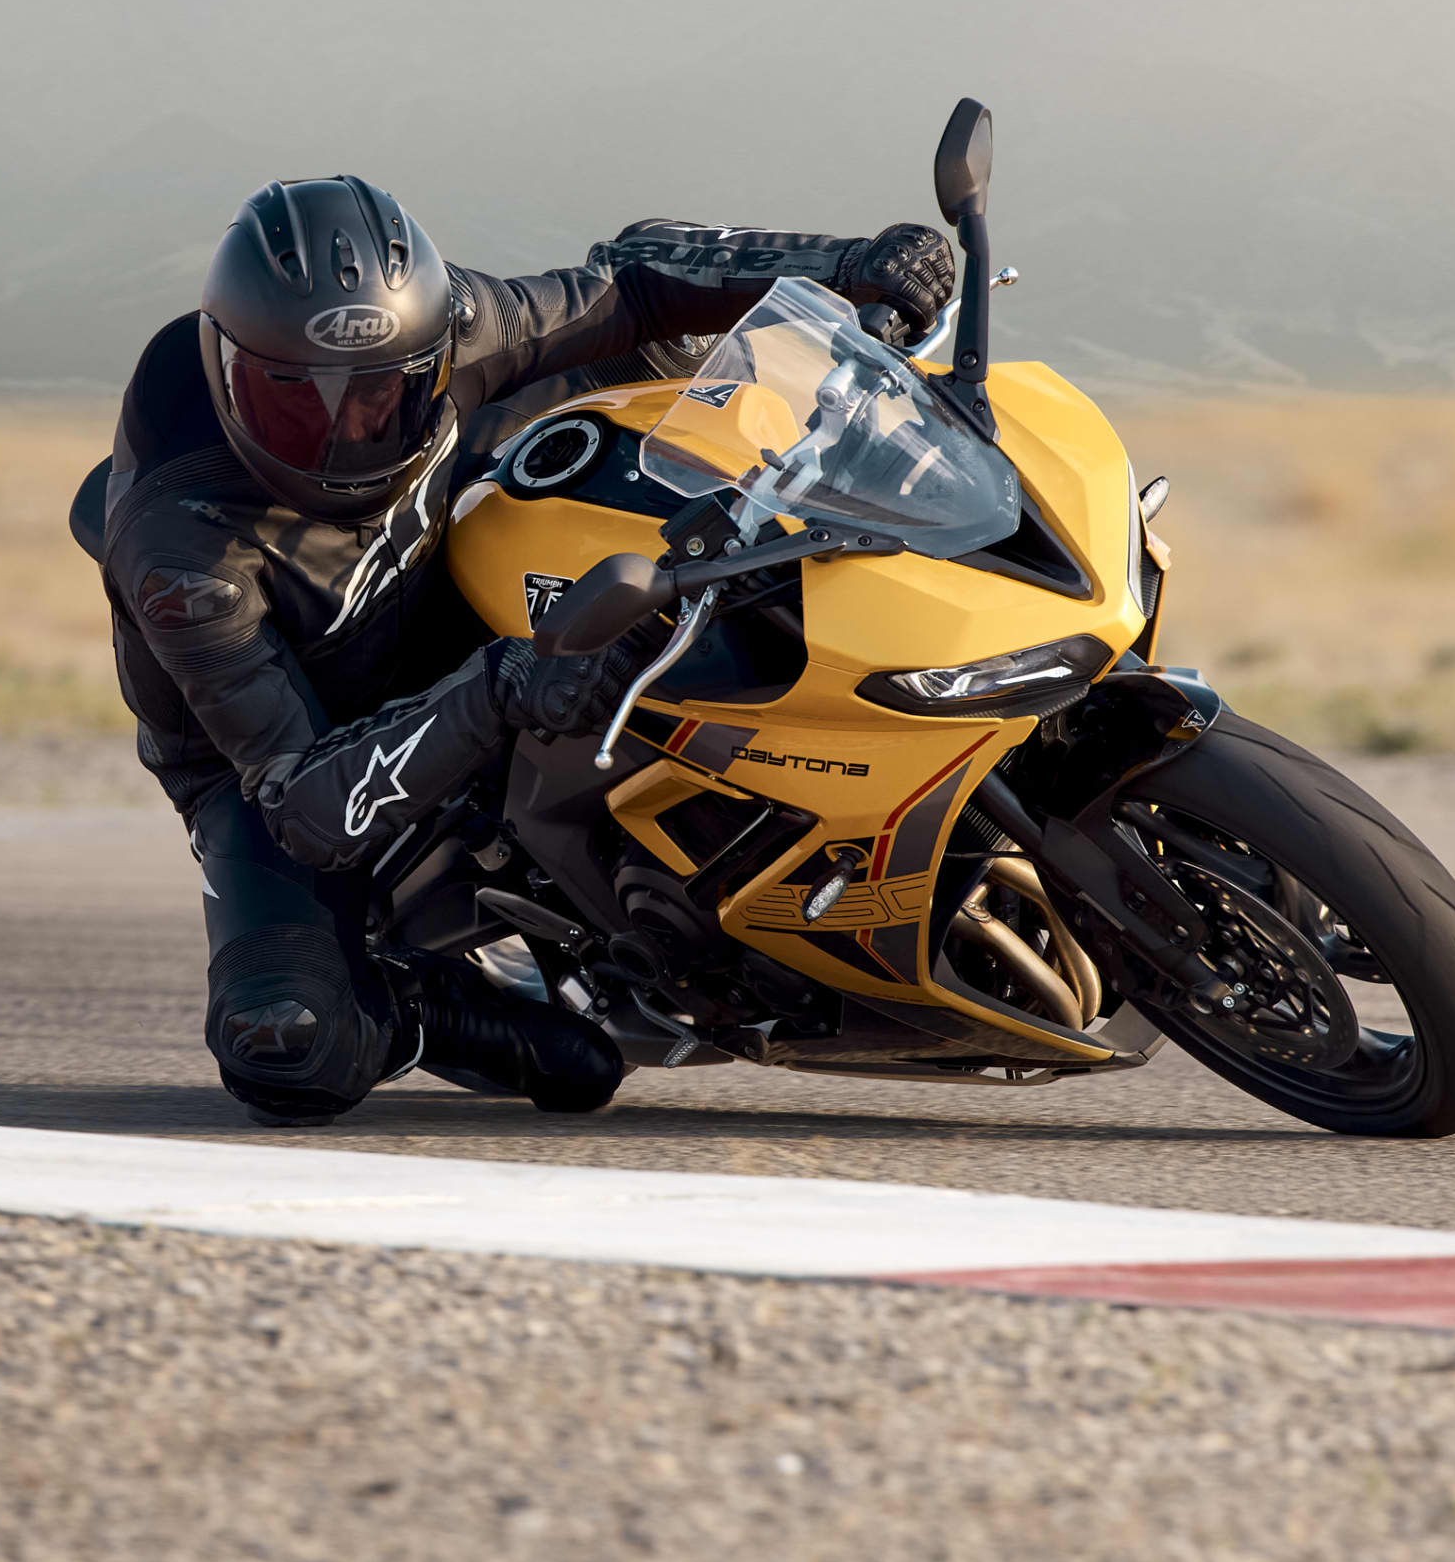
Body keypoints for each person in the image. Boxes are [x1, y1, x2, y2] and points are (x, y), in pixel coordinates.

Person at [71, 177, 959, 1126]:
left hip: (443, 598)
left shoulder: (459, 323)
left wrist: (847, 263)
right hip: (280, 757)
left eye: (385, 395)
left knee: (655, 336)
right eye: (299, 405)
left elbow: (631, 284)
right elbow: (307, 808)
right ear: (225, 371)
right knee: (284, 1043)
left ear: (435, 344)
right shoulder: (183, 553)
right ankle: (418, 1006)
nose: (348, 432)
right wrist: (503, 686)